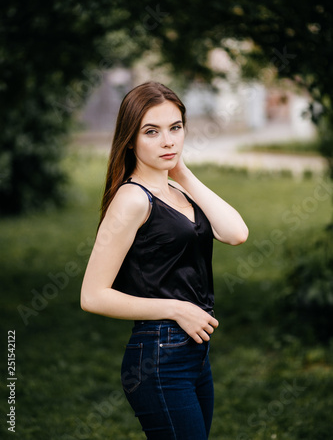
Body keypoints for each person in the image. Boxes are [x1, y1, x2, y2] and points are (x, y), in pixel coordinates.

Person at [80, 81, 249, 439]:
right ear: (130, 139)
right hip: (158, 358)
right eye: (152, 132)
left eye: (175, 128)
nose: (168, 141)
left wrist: (182, 172)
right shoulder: (132, 200)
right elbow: (92, 295)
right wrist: (176, 308)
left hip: (193, 356)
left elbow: (236, 233)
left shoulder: (175, 189)